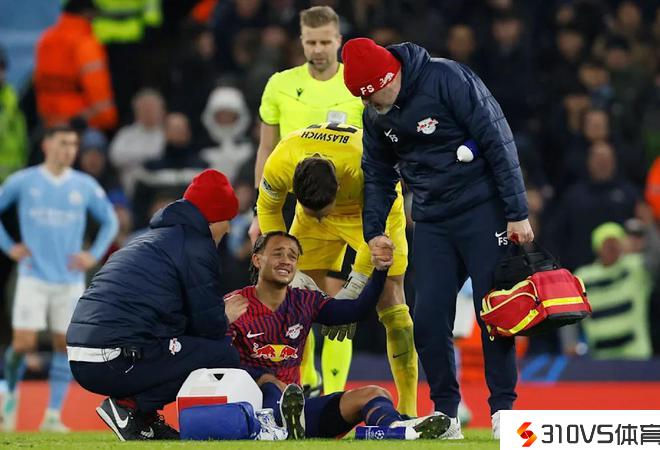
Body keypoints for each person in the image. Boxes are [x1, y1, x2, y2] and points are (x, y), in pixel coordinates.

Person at [341, 37, 535, 439]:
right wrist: (373, 232)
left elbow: (497, 137)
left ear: (389, 77)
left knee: (494, 311)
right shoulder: (375, 113)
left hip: (483, 210)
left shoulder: (447, 79)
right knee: (428, 318)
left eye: (373, 94)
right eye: (363, 98)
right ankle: (446, 413)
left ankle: (504, 411)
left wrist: (517, 212)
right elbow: (377, 175)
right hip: (431, 218)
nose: (370, 104)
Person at [66, 169, 245, 441]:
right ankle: (129, 407)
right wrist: (224, 315)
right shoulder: (196, 246)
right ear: (214, 217)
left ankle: (143, 421)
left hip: (83, 354)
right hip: (113, 357)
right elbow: (208, 327)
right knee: (223, 353)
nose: (229, 228)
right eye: (227, 220)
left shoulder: (149, 239)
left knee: (181, 343)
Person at [257, 122, 417, 415]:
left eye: (323, 210)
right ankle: (297, 390)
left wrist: (354, 287)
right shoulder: (281, 161)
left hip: (373, 212)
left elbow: (378, 234)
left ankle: (408, 408)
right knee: (288, 296)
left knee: (392, 299)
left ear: (340, 188)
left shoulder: (368, 164)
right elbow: (268, 210)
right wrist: (282, 260)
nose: (322, 217)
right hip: (310, 221)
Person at [226, 231, 447, 439]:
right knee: (270, 386)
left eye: (292, 256)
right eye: (278, 254)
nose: (286, 261)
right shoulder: (233, 305)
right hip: (249, 410)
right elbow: (215, 359)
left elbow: (356, 310)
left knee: (375, 394)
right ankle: (272, 425)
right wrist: (262, 376)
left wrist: (379, 271)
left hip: (298, 411)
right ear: (257, 260)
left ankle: (395, 429)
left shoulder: (304, 301)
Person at [249, 5, 364, 399]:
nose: (318, 49)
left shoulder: (356, 84)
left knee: (333, 296)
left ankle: (334, 393)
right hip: (295, 201)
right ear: (301, 41)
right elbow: (266, 149)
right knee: (297, 294)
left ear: (339, 41)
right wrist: (258, 210)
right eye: (311, 42)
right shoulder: (280, 84)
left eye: (325, 41)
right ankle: (308, 381)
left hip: (345, 203)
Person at [0, 125, 119, 431]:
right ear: (47, 145)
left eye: (74, 144)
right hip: (32, 275)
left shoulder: (84, 184)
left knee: (63, 346)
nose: (70, 149)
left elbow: (110, 220)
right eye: (64, 142)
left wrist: (93, 254)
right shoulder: (23, 181)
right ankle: (8, 390)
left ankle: (52, 416)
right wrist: (9, 247)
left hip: (69, 279)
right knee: (23, 343)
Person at [575, 222, 659, 359]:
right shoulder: (583, 276)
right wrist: (570, 342)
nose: (611, 246)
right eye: (606, 242)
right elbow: (566, 308)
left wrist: (648, 223)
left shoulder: (636, 266)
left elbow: (656, 258)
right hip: (600, 359)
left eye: (615, 241)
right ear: (597, 247)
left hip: (636, 357)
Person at [33, 0, 117, 131]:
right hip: (80, 122)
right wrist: (108, 119)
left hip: (51, 123)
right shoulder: (85, 43)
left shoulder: (46, 38)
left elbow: (41, 81)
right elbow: (97, 89)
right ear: (87, 13)